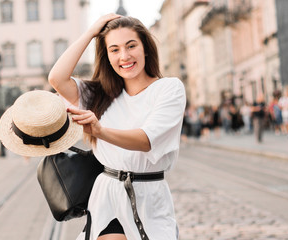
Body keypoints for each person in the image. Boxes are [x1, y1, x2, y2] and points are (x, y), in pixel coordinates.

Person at [48, 14, 186, 240]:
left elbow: (146, 140)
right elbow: (57, 78)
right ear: (107, 56)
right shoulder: (98, 94)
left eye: (131, 46)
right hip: (108, 195)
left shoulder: (169, 89)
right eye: (114, 49)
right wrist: (91, 32)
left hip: (149, 196)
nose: (124, 56)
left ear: (145, 49)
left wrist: (101, 132)